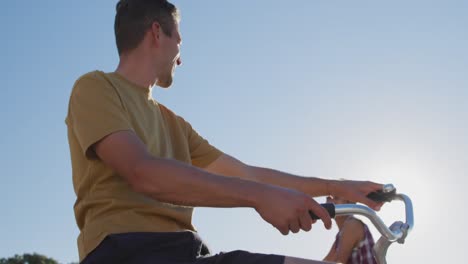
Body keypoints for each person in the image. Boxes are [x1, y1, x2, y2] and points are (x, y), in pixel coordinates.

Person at [65, 1, 384, 263]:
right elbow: (141, 171)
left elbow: (245, 174)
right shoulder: (95, 87)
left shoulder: (174, 124)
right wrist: (260, 198)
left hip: (185, 253)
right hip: (125, 253)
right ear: (157, 32)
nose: (181, 56)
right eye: (179, 40)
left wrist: (335, 186)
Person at [323, 196, 378, 264]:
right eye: (328, 198)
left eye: (336, 198)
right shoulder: (340, 235)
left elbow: (338, 261)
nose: (330, 202)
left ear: (349, 203)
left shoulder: (352, 224)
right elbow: (326, 261)